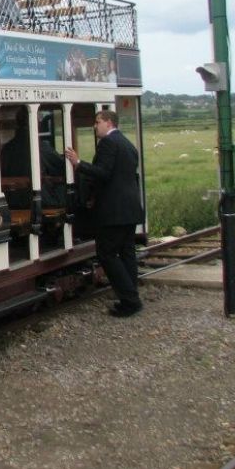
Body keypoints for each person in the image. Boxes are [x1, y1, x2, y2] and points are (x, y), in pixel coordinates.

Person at [65, 110, 144, 317]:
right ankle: (131, 294)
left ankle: (130, 299)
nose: (95, 126)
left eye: (98, 122)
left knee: (107, 253)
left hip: (114, 211)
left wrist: (78, 163)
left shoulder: (108, 144)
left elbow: (104, 173)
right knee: (127, 253)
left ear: (109, 123)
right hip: (130, 209)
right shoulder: (128, 144)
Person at [1, 108, 66, 210]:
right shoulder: (40, 147)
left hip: (10, 201)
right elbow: (62, 167)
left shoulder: (6, 149)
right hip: (35, 200)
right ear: (36, 124)